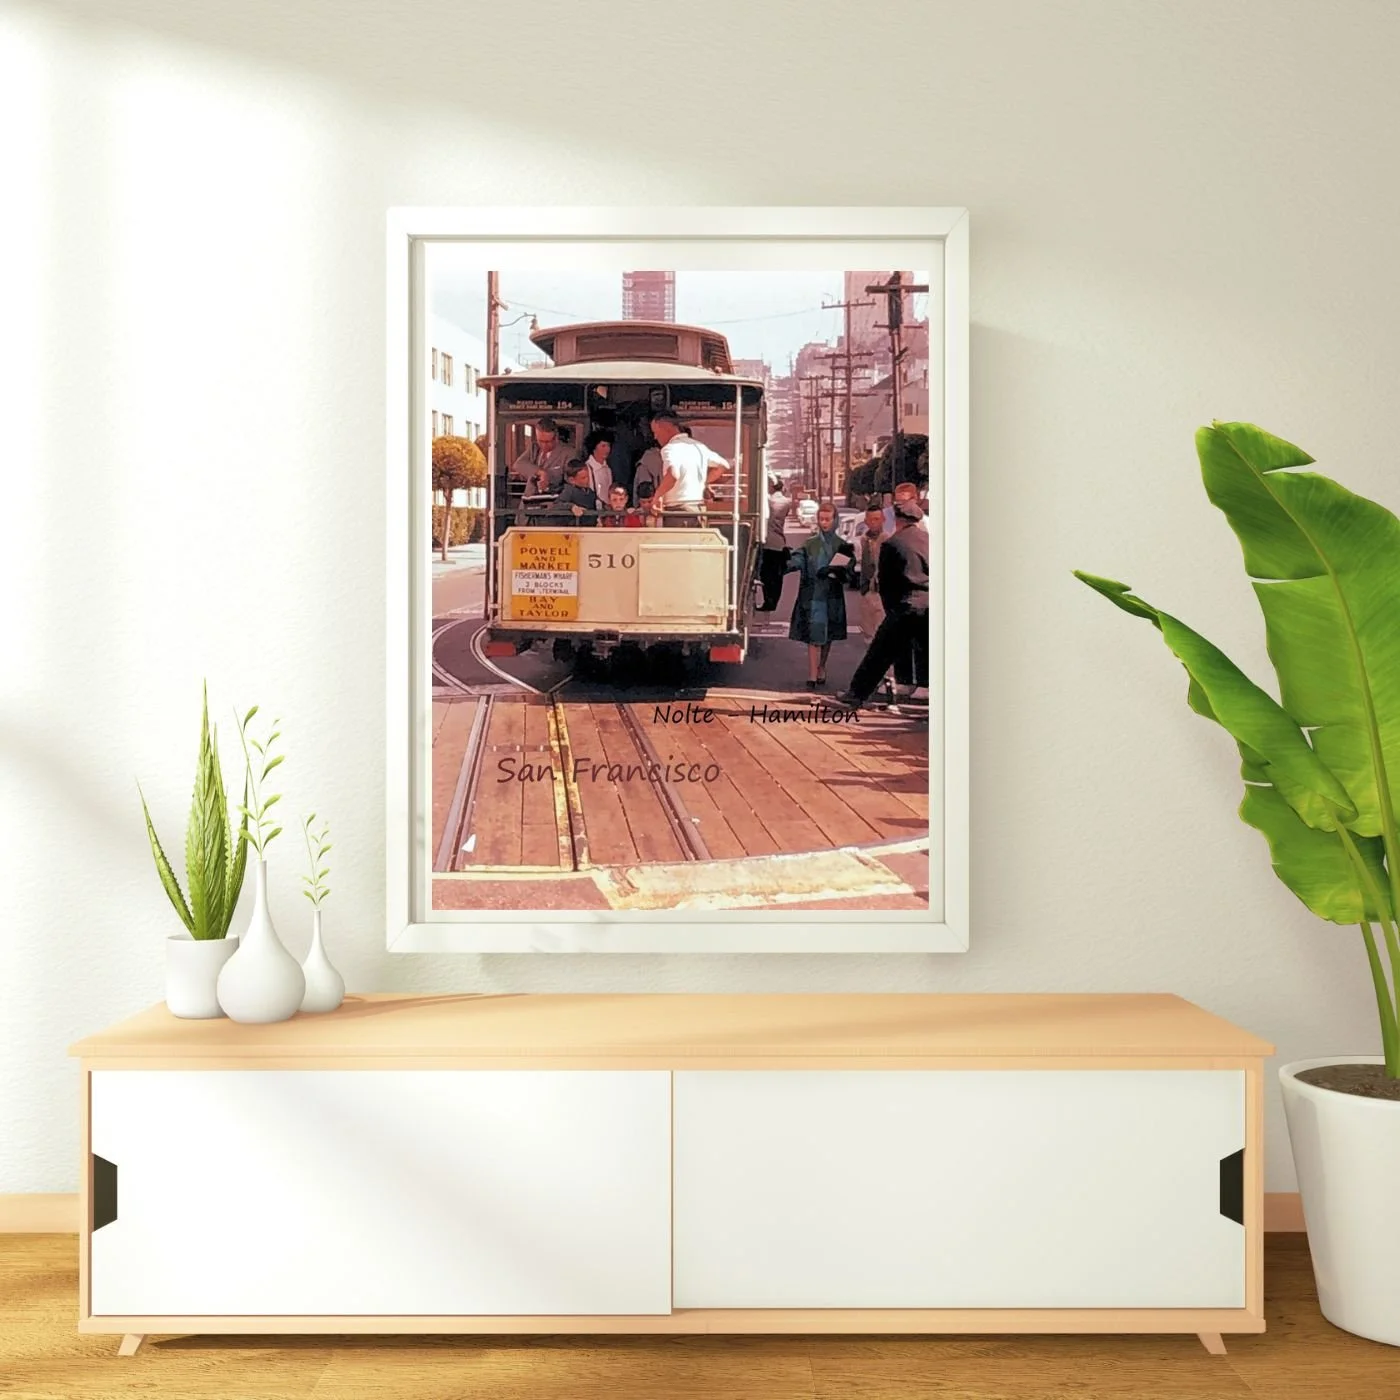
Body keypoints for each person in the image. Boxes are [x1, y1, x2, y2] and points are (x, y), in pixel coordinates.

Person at [837, 500, 930, 710]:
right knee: (927, 648)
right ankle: (927, 691)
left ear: (897, 520)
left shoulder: (892, 543)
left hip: (906, 602)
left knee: (880, 652)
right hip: (930, 602)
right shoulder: (930, 541)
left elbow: (887, 583)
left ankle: (856, 694)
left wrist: (892, 612)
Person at [785, 500, 856, 689]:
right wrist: (784, 562)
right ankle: (812, 674)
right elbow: (797, 560)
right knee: (813, 635)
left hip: (832, 596)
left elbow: (849, 572)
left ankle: (822, 666)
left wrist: (841, 571)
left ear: (834, 520)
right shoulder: (810, 543)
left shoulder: (842, 545)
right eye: (821, 519)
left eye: (827, 519)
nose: (824, 523)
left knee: (828, 635)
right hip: (812, 594)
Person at [647, 410, 729, 525]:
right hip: (698, 510)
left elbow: (673, 473)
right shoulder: (698, 447)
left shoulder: (670, 448)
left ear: (666, 427)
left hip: (678, 512)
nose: (655, 437)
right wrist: (703, 482)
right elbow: (723, 465)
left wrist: (657, 497)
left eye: (655, 432)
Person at [509, 416, 576, 493]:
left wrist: (548, 482)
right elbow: (518, 464)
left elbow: (570, 484)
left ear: (556, 437)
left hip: (553, 501)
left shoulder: (568, 453)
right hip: (529, 501)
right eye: (540, 441)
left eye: (548, 442)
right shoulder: (534, 448)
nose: (544, 445)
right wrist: (540, 472)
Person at [757, 475, 791, 611]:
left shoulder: (768, 500)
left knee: (766, 574)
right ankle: (773, 601)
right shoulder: (786, 502)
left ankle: (768, 601)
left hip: (768, 541)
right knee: (777, 576)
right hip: (779, 542)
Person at [855, 504, 888, 638]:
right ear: (866, 521)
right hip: (866, 589)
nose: (874, 523)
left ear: (883, 520)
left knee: (882, 633)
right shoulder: (862, 540)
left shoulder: (888, 540)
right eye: (871, 520)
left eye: (877, 519)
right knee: (868, 633)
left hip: (882, 592)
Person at [576, 428, 615, 504]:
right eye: (603, 446)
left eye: (608, 445)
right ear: (594, 448)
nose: (607, 449)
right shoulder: (586, 468)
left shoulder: (608, 469)